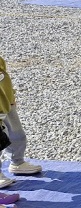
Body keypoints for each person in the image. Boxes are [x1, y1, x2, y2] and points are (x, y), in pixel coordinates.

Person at [0, 54, 43, 190]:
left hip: (6, 104)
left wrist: (11, 95)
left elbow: (5, 79)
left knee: (17, 134)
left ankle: (17, 162)